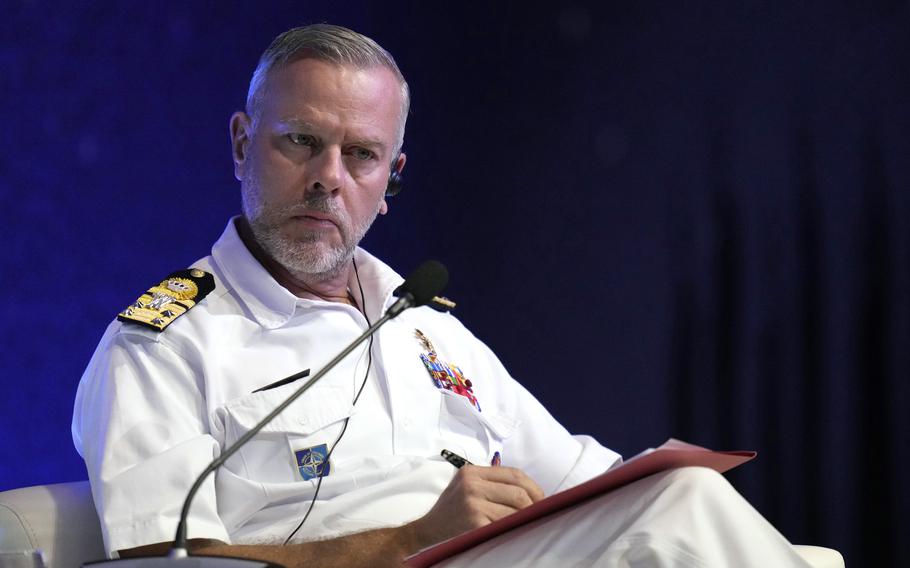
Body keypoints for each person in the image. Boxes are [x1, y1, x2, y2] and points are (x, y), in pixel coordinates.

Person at [73, 24, 811, 568]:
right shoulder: (164, 345)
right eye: (300, 142)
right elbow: (168, 567)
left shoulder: (420, 324)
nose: (329, 176)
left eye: (360, 155)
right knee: (683, 511)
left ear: (390, 180)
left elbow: (584, 479)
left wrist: (654, 472)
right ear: (241, 143)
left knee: (691, 502)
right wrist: (415, 536)